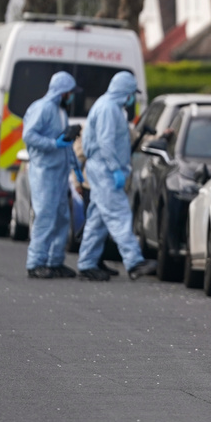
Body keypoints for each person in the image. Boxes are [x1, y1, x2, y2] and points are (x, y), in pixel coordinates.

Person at [76, 71, 156, 281]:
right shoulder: (108, 109)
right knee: (119, 214)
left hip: (103, 168)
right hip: (105, 169)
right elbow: (106, 142)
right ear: (125, 91)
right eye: (131, 92)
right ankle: (134, 262)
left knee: (97, 219)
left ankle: (87, 263)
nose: (132, 97)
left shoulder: (110, 107)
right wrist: (114, 169)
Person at [22, 71, 81, 279]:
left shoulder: (59, 111)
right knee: (45, 218)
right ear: (63, 91)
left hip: (59, 173)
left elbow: (65, 144)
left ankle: (54, 262)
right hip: (45, 172)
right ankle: (35, 263)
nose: (72, 96)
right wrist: (52, 144)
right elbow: (28, 135)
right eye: (71, 92)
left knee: (62, 218)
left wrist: (76, 168)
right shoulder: (43, 108)